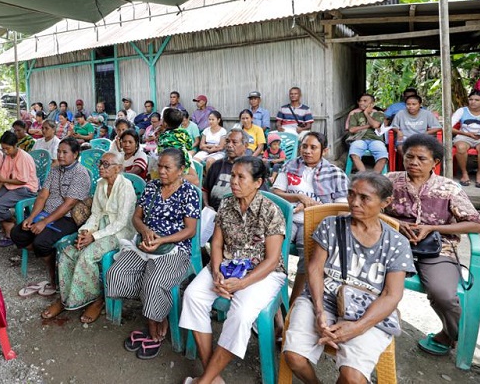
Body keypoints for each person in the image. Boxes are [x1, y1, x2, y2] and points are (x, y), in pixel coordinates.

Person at [283, 172, 415, 384]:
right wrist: (318, 311)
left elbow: (392, 294)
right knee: (294, 357)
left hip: (367, 310)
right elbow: (315, 269)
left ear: (385, 202)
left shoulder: (397, 243)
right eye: (351, 194)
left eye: (364, 198)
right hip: (321, 300)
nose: (354, 202)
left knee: (353, 378)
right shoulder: (331, 225)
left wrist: (359, 326)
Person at [181, 157, 286, 384]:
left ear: (258, 182)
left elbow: (272, 259)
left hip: (262, 273)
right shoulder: (227, 204)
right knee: (192, 296)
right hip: (227, 266)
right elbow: (216, 244)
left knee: (240, 315)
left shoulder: (271, 211)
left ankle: (205, 380)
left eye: (241, 177)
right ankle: (213, 376)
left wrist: (241, 283)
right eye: (233, 176)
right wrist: (217, 271)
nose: (234, 182)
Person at [385, 134, 480, 356]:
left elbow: (475, 225)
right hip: (394, 246)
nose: (414, 163)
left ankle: (450, 334)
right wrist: (397, 223)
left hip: (438, 249)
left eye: (421, 158)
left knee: (444, 294)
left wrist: (434, 228)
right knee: (368, 279)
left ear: (435, 162)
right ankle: (376, 329)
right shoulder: (390, 181)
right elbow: (372, 210)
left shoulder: (448, 188)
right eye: (409, 157)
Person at [105, 148, 199, 360]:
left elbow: (190, 230)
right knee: (117, 273)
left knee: (154, 281)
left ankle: (154, 324)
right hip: (146, 242)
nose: (161, 171)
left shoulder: (189, 192)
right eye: (160, 166)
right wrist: (145, 231)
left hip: (174, 247)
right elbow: (136, 218)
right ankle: (156, 311)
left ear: (181, 170)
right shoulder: (151, 187)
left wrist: (162, 240)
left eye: (167, 167)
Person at [43, 150, 136, 323]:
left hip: (119, 234)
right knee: (68, 252)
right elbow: (95, 214)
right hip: (100, 228)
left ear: (118, 168)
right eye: (101, 163)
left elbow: (121, 222)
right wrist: (86, 232)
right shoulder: (101, 184)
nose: (101, 167)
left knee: (87, 255)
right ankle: (66, 298)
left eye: (106, 164)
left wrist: (94, 237)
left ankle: (95, 299)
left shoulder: (126, 187)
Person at [272, 132, 349, 302]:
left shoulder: (335, 174)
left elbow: (342, 209)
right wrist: (299, 197)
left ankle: (293, 304)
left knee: (307, 259)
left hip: (314, 222)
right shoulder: (290, 166)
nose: (307, 151)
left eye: (313, 147)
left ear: (325, 150)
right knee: (273, 254)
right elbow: (276, 193)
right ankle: (275, 302)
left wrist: (314, 206)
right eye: (304, 146)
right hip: (288, 217)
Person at [12, 137, 91, 296]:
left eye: (65, 152)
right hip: (46, 213)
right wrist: (31, 217)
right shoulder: (55, 170)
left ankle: (53, 276)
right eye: (59, 151)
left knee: (41, 241)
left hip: (68, 218)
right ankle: (50, 256)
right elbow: (43, 195)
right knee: (17, 233)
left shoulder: (80, 173)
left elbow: (68, 205)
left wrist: (43, 223)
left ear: (75, 154)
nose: (60, 155)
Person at [0, 131, 39, 248]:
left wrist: (4, 179)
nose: (5, 151)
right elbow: (1, 178)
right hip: (12, 186)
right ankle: (13, 222)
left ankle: (10, 229)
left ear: (15, 145)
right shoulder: (8, 156)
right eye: (3, 148)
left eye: (7, 148)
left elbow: (22, 180)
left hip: (26, 189)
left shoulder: (23, 157)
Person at [452, 89, 480, 187]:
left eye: (477, 100)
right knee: (460, 148)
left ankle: (479, 175)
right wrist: (466, 134)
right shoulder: (462, 111)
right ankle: (464, 174)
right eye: (471, 99)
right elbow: (448, 127)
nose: (473, 102)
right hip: (464, 136)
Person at [203, 129, 250, 210]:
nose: (229, 145)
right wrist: (206, 206)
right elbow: (205, 190)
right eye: (227, 141)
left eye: (234, 142)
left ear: (245, 146)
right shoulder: (216, 165)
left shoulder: (251, 167)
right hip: (213, 213)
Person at [347, 93, 388, 173]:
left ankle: (373, 178)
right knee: (354, 154)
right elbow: (351, 130)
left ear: (372, 104)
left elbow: (375, 125)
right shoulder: (355, 114)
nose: (361, 103)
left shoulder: (379, 114)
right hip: (359, 139)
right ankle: (365, 176)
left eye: (365, 101)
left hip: (375, 140)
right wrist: (369, 126)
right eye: (360, 101)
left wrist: (366, 113)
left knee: (383, 157)